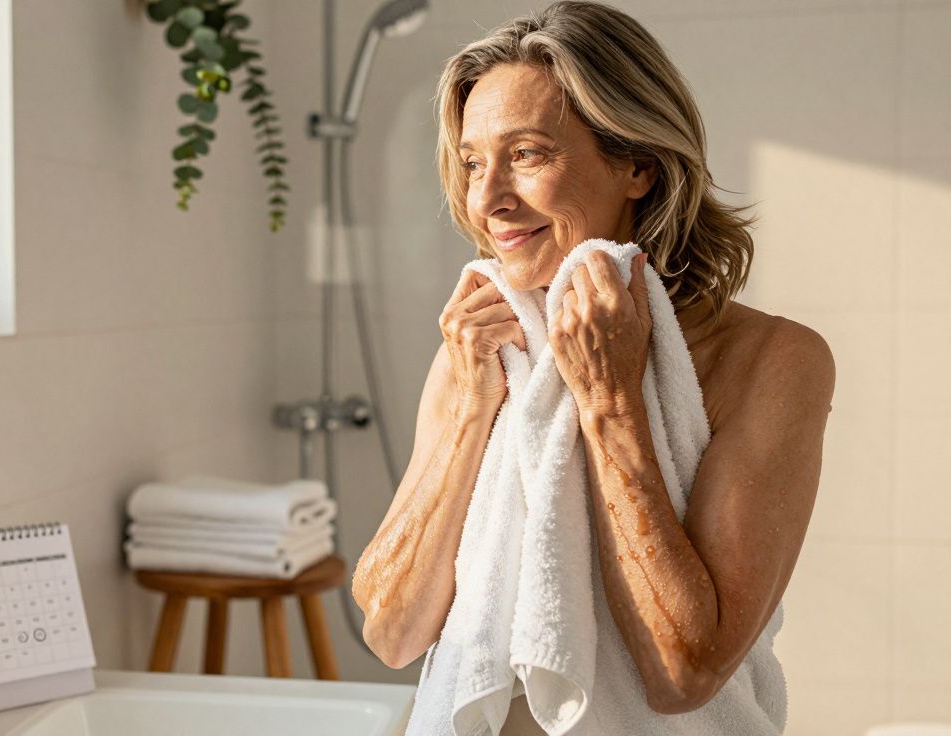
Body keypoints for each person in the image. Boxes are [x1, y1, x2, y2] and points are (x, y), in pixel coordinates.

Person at [350, 1, 835, 733]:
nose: (487, 200)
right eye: (475, 161)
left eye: (527, 154)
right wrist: (470, 407)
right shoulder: (482, 349)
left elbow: (685, 672)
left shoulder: (772, 360)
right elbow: (391, 633)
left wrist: (611, 401)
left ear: (637, 163)